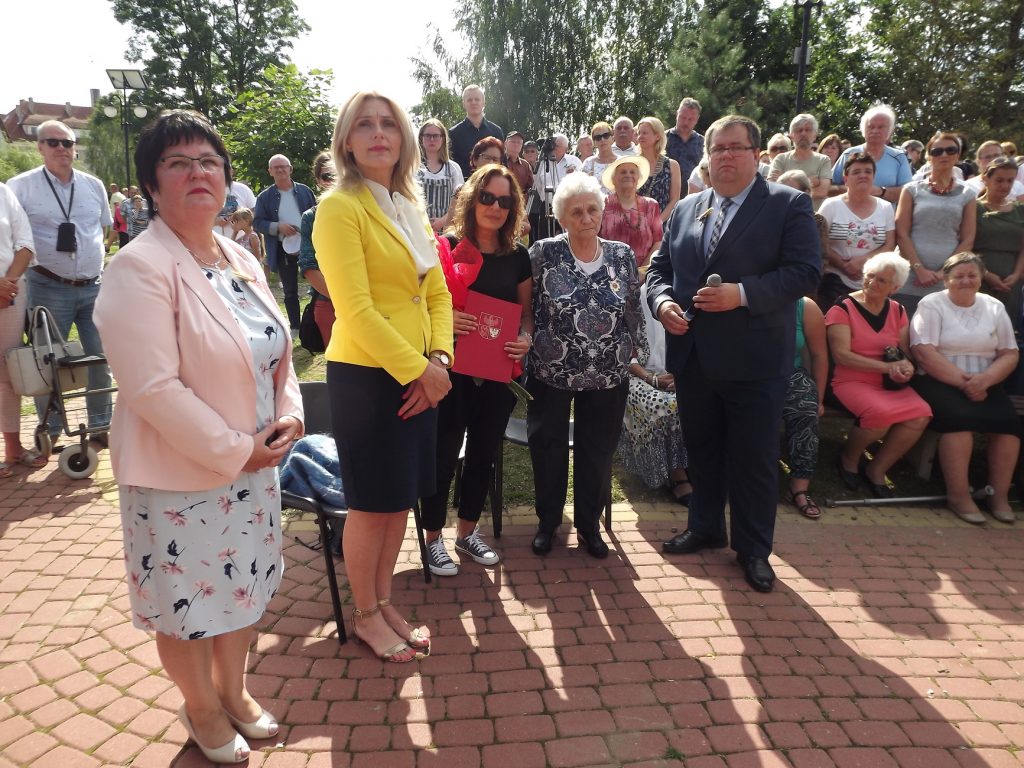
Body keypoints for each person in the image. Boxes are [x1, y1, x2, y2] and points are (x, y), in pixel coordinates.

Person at [94, 109, 304, 764]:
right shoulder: (139, 266)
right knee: (185, 606)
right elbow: (152, 389)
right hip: (181, 479)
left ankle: (234, 692)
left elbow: (278, 352)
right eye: (178, 163)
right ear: (151, 184)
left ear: (226, 177)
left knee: (242, 592)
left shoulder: (238, 256)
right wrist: (238, 450)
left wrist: (291, 413)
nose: (197, 173)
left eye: (209, 161)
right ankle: (202, 707)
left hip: (254, 469)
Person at [646, 114, 821, 593]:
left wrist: (741, 294)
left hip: (754, 360)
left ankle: (753, 549)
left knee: (753, 459)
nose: (725, 156)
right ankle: (705, 527)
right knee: (702, 450)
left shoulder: (787, 204)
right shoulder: (687, 208)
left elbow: (805, 273)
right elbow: (660, 269)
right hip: (695, 357)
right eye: (717, 148)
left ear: (756, 155)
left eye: (735, 147)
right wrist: (661, 303)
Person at [312, 91, 453, 663]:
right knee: (372, 504)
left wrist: (439, 361)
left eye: (389, 124)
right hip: (368, 376)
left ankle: (385, 601)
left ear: (404, 139)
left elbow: (437, 292)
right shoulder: (338, 208)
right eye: (364, 125)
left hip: (422, 372)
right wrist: (421, 371)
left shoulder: (408, 206)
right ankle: (365, 614)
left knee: (399, 500)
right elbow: (355, 309)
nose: (378, 134)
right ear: (347, 141)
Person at [527, 173, 647, 559]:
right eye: (576, 212)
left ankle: (589, 526)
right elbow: (527, 306)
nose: (585, 217)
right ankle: (548, 523)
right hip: (552, 370)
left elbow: (632, 307)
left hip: (608, 372)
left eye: (592, 209)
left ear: (602, 211)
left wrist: (638, 355)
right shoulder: (543, 253)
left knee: (597, 450)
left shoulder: (621, 255)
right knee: (548, 447)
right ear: (562, 217)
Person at [420, 164, 531, 576]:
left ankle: (466, 532)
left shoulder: (517, 256)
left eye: (505, 201)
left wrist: (525, 338)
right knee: (444, 452)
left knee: (484, 452)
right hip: (451, 369)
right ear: (472, 199)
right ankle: (433, 539)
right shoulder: (447, 247)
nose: (495, 207)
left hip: (498, 371)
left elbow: (526, 314)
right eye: (487, 197)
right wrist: (446, 317)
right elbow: (422, 304)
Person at [8, 119, 114, 447]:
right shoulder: (20, 186)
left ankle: (100, 425)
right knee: (47, 361)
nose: (61, 148)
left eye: (67, 142)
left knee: (100, 357)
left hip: (93, 286)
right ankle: (50, 431)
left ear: (74, 147)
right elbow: (11, 237)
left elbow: (104, 228)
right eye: (53, 142)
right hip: (48, 285)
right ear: (40, 147)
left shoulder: (93, 185)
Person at [909, 252, 1019, 524]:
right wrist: (965, 382)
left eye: (972, 275)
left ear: (981, 278)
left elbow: (1009, 353)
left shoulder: (994, 306)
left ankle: (999, 496)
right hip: (938, 379)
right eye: (959, 276)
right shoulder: (932, 304)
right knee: (959, 422)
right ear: (946, 279)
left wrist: (985, 380)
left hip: (986, 381)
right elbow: (924, 352)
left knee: (1008, 425)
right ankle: (958, 496)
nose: (966, 280)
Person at [825, 252, 932, 498]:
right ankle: (848, 459)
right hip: (850, 380)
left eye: (881, 280)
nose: (872, 283)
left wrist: (907, 368)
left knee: (921, 414)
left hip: (888, 383)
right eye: (870, 276)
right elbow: (842, 356)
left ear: (895, 288)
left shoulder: (898, 310)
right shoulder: (843, 307)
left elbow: (904, 351)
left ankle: (878, 468)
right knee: (880, 416)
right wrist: (888, 368)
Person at [618, 275, 692, 505]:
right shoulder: (636, 299)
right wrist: (652, 379)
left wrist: (683, 377)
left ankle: (697, 468)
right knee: (665, 405)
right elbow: (623, 354)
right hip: (638, 375)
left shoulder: (691, 297)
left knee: (699, 400)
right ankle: (677, 474)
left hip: (683, 374)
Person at [894, 132, 977, 316]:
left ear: (958, 155)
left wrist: (944, 272)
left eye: (950, 150)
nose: (944, 155)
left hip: (947, 280)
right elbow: (901, 233)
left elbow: (968, 239)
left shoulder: (968, 194)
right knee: (903, 329)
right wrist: (919, 269)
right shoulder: (911, 189)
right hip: (909, 277)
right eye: (937, 151)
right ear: (929, 156)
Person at [0, 182, 43, 478]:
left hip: (11, 293)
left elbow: (25, 244)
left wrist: (9, 284)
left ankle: (13, 448)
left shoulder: (4, 192)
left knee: (7, 373)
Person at [817, 152, 897, 309]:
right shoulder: (831, 205)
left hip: (873, 283)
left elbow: (890, 244)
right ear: (846, 178)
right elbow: (819, 241)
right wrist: (843, 265)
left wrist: (863, 261)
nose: (863, 175)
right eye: (856, 172)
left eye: (868, 171)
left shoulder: (885, 207)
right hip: (834, 281)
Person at [253, 154, 316, 339]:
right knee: (290, 291)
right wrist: (277, 227)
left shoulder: (305, 191)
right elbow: (257, 223)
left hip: (309, 246)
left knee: (317, 285)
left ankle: (315, 323)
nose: (280, 170)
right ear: (270, 171)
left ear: (290, 169)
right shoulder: (264, 197)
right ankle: (295, 327)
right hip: (282, 249)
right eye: (276, 167)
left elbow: (317, 214)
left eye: (284, 166)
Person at [782, 296, 828, 519]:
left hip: (790, 373)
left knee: (807, 408)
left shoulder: (804, 306)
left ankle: (798, 487)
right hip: (747, 373)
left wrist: (819, 399)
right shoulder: (739, 297)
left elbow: (819, 355)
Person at [973, 157, 1024, 328]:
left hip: (1012, 281)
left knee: (1007, 328)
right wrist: (985, 274)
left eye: (1010, 180)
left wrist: (1016, 274)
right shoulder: (974, 207)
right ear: (985, 179)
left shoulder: (1020, 209)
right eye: (999, 180)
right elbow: (965, 243)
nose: (1005, 185)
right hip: (979, 276)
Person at [830, 105, 912, 207]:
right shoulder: (848, 154)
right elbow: (830, 187)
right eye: (871, 127)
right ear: (863, 129)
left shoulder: (898, 157)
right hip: (848, 214)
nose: (875, 131)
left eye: (881, 127)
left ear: (890, 131)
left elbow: (908, 192)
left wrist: (881, 191)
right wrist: (854, 189)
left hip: (885, 215)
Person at [298, 152, 338, 346]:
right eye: (327, 176)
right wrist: (346, 302)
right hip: (329, 302)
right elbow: (309, 267)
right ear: (318, 180)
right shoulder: (311, 217)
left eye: (339, 173)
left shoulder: (367, 209)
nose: (334, 180)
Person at [599, 155, 662, 267]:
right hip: (608, 271)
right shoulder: (602, 205)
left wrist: (643, 271)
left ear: (638, 178)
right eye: (623, 172)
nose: (628, 175)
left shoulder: (651, 206)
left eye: (632, 172)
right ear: (613, 179)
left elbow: (658, 242)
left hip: (644, 272)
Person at [768, 114, 833, 210]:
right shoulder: (780, 159)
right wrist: (811, 182)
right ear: (791, 135)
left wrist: (786, 184)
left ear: (815, 135)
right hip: (786, 215)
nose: (803, 133)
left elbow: (822, 191)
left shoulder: (824, 160)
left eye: (808, 130)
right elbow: (772, 190)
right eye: (799, 130)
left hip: (813, 215)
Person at [530, 134, 582, 239]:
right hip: (547, 207)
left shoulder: (574, 161)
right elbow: (538, 185)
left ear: (566, 149)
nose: (553, 148)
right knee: (545, 239)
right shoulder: (543, 162)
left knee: (569, 238)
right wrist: (546, 198)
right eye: (552, 145)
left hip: (568, 206)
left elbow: (582, 181)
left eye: (557, 146)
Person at [417, 119, 464, 233]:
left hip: (447, 230)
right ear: (421, 138)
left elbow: (460, 201)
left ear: (443, 138)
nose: (432, 139)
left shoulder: (453, 168)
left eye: (436, 136)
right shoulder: (413, 167)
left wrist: (442, 220)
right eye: (428, 135)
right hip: (418, 228)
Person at [448, 84, 504, 178]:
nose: (473, 102)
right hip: (464, 184)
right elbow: (451, 165)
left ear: (483, 103)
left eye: (477, 99)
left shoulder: (496, 131)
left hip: (492, 183)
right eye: (469, 100)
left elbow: (502, 162)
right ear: (464, 104)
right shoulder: (454, 133)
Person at [636, 116, 682, 223]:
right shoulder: (633, 165)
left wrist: (658, 222)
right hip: (635, 224)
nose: (640, 137)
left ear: (657, 136)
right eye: (639, 133)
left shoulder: (672, 165)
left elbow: (675, 199)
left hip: (662, 225)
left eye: (644, 133)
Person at [666, 97, 704, 194]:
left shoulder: (703, 143)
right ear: (677, 114)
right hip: (666, 195)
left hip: (695, 196)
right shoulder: (662, 139)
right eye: (682, 117)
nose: (686, 122)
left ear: (697, 119)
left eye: (690, 119)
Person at [581, 121, 618, 194]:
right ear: (594, 142)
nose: (602, 139)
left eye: (606, 135)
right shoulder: (588, 163)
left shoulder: (622, 161)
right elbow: (582, 189)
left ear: (612, 138)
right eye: (598, 138)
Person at [503, 130, 534, 194]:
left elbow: (531, 187)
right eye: (513, 142)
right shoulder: (498, 161)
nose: (516, 144)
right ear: (505, 143)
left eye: (519, 142)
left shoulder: (525, 165)